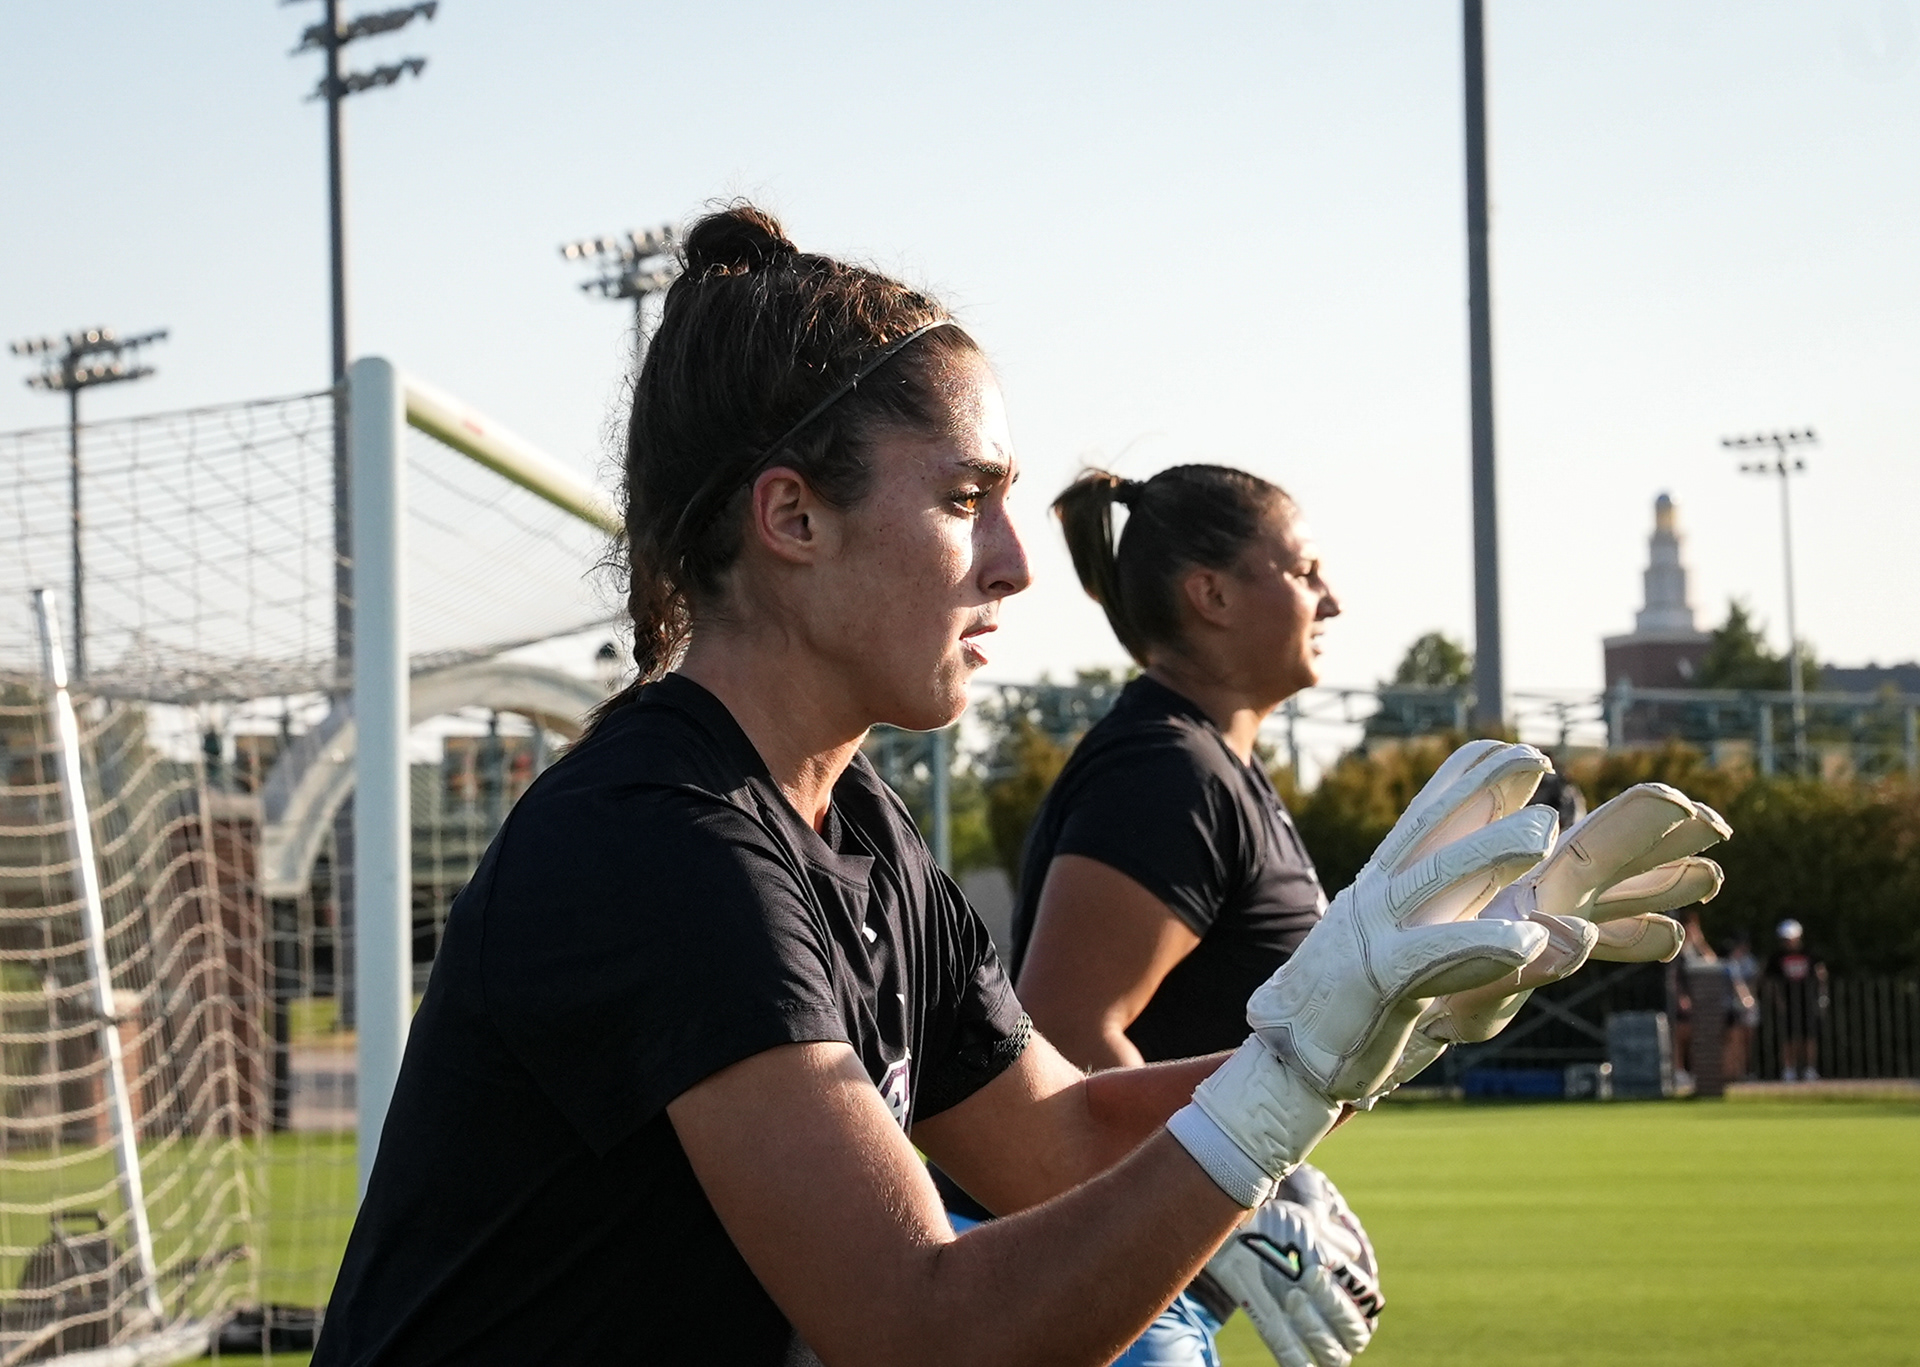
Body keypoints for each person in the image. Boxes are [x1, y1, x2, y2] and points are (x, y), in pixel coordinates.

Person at [309, 204, 1694, 1367]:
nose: (1018, 562)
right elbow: (921, 1330)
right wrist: (1285, 1078)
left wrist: (1373, 1015)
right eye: (966, 497)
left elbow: (1059, 1131)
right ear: (792, 515)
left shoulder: (854, 824)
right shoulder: (663, 842)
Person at [995, 464, 1360, 1367]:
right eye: (1305, 571)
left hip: (1129, 1278)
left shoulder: (1214, 765)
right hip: (1086, 1278)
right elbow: (1067, 1032)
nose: (1332, 599)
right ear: (1212, 594)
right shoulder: (1169, 772)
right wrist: (1223, 1195)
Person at [1764, 918, 1828, 1081]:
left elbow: (1821, 974)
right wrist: (1777, 1001)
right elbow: (1770, 982)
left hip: (1808, 1000)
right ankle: (1789, 1069)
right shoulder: (1777, 957)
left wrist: (1822, 995)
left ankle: (1810, 1069)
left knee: (1810, 1036)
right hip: (1788, 1002)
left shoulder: (1810, 954)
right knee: (1789, 1037)